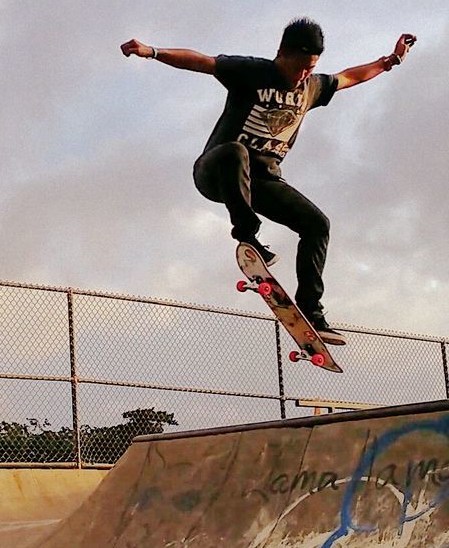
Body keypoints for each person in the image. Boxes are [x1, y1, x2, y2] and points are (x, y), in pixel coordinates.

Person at [120, 20, 416, 345]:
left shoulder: (311, 88)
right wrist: (152, 51)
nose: (303, 74)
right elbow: (201, 61)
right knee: (236, 151)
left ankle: (311, 312)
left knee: (318, 224)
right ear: (281, 54)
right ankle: (248, 237)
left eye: (311, 68)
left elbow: (349, 77)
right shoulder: (251, 71)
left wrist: (390, 61)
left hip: (263, 183)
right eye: (300, 67)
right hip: (216, 172)